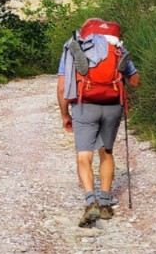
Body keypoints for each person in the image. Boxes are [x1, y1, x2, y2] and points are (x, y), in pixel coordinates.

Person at [56, 19, 141, 226]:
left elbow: (62, 88)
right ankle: (105, 203)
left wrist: (65, 114)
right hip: (112, 105)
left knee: (84, 156)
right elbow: (135, 81)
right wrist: (120, 74)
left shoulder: (75, 45)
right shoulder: (116, 46)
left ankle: (90, 202)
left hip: (85, 105)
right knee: (106, 152)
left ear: (85, 31)